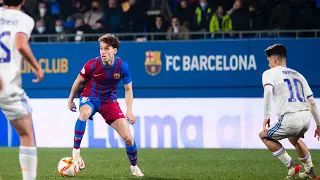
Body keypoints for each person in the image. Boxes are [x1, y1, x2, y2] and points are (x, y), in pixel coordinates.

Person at [68, 33, 144, 177]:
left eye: (106, 48)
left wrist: (129, 110)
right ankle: (76, 153)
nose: (102, 52)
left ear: (114, 50)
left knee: (128, 138)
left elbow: (128, 89)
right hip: (90, 97)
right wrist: (71, 99)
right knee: (83, 113)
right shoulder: (92, 64)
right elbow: (78, 81)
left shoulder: (122, 66)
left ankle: (134, 167)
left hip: (109, 101)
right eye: (101, 48)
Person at [259, 44, 320, 179]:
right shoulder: (299, 75)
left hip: (290, 118)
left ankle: (291, 166)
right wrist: (319, 125)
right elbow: (311, 102)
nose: (268, 65)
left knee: (263, 135)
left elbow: (268, 91)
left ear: (274, 60)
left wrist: (266, 116)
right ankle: (310, 171)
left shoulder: (269, 73)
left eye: (269, 61)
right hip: (305, 118)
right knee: (294, 138)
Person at [0, 0, 44, 179]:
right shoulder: (23, 19)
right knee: (26, 134)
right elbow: (20, 44)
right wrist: (36, 67)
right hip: (6, 84)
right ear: (23, 1)